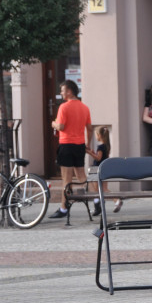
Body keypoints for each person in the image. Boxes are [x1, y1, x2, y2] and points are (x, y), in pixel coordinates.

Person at [48, 80, 92, 219]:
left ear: (69, 91)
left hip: (66, 144)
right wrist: (87, 143)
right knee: (81, 176)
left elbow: (60, 126)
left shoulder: (64, 107)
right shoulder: (85, 107)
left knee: (66, 179)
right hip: (79, 144)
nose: (61, 93)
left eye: (62, 90)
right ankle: (96, 200)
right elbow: (89, 128)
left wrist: (53, 123)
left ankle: (63, 208)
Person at [86, 126, 119, 216]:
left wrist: (89, 153)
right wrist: (93, 152)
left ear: (99, 135)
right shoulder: (106, 146)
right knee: (104, 189)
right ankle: (115, 201)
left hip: (97, 169)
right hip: (104, 168)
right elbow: (102, 157)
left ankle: (99, 206)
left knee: (96, 189)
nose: (96, 136)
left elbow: (98, 158)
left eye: (96, 135)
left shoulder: (100, 147)